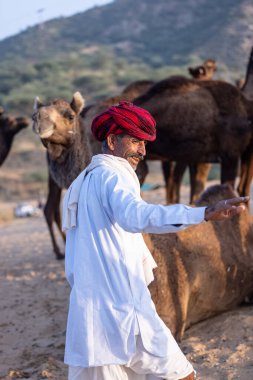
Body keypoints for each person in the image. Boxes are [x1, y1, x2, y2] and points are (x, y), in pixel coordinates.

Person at [62, 101, 249, 380]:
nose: (143, 150)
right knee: (182, 375)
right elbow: (136, 215)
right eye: (136, 141)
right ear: (112, 140)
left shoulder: (84, 181)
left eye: (145, 143)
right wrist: (203, 213)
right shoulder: (114, 175)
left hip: (93, 313)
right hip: (121, 307)